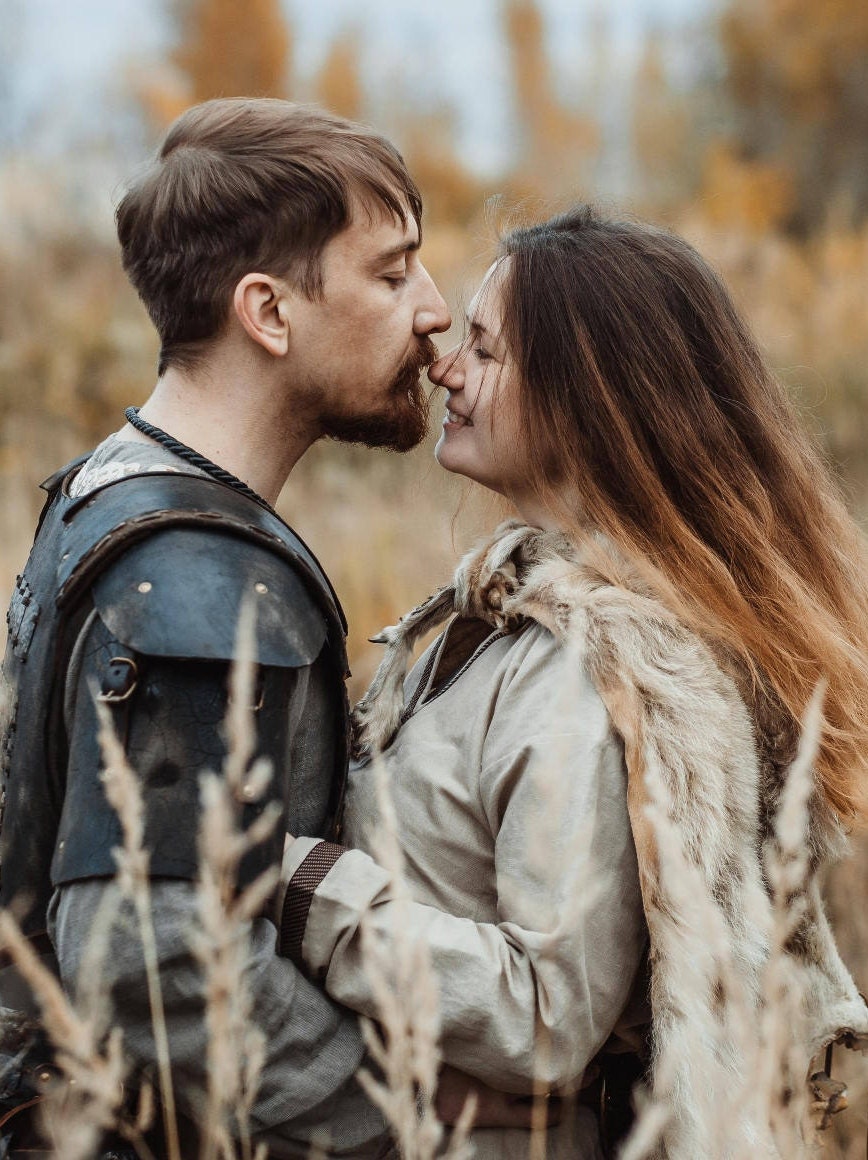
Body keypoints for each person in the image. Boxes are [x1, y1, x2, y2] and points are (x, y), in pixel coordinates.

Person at [277, 205, 868, 1157]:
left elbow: (548, 1019)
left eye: (485, 349)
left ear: (586, 393)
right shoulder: (507, 614)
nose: (445, 368)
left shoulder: (596, 672)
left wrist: (302, 885)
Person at [0, 96, 452, 1157]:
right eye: (391, 274)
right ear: (269, 312)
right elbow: (150, 959)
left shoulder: (105, 486)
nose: (434, 310)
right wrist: (398, 1127)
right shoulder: (200, 573)